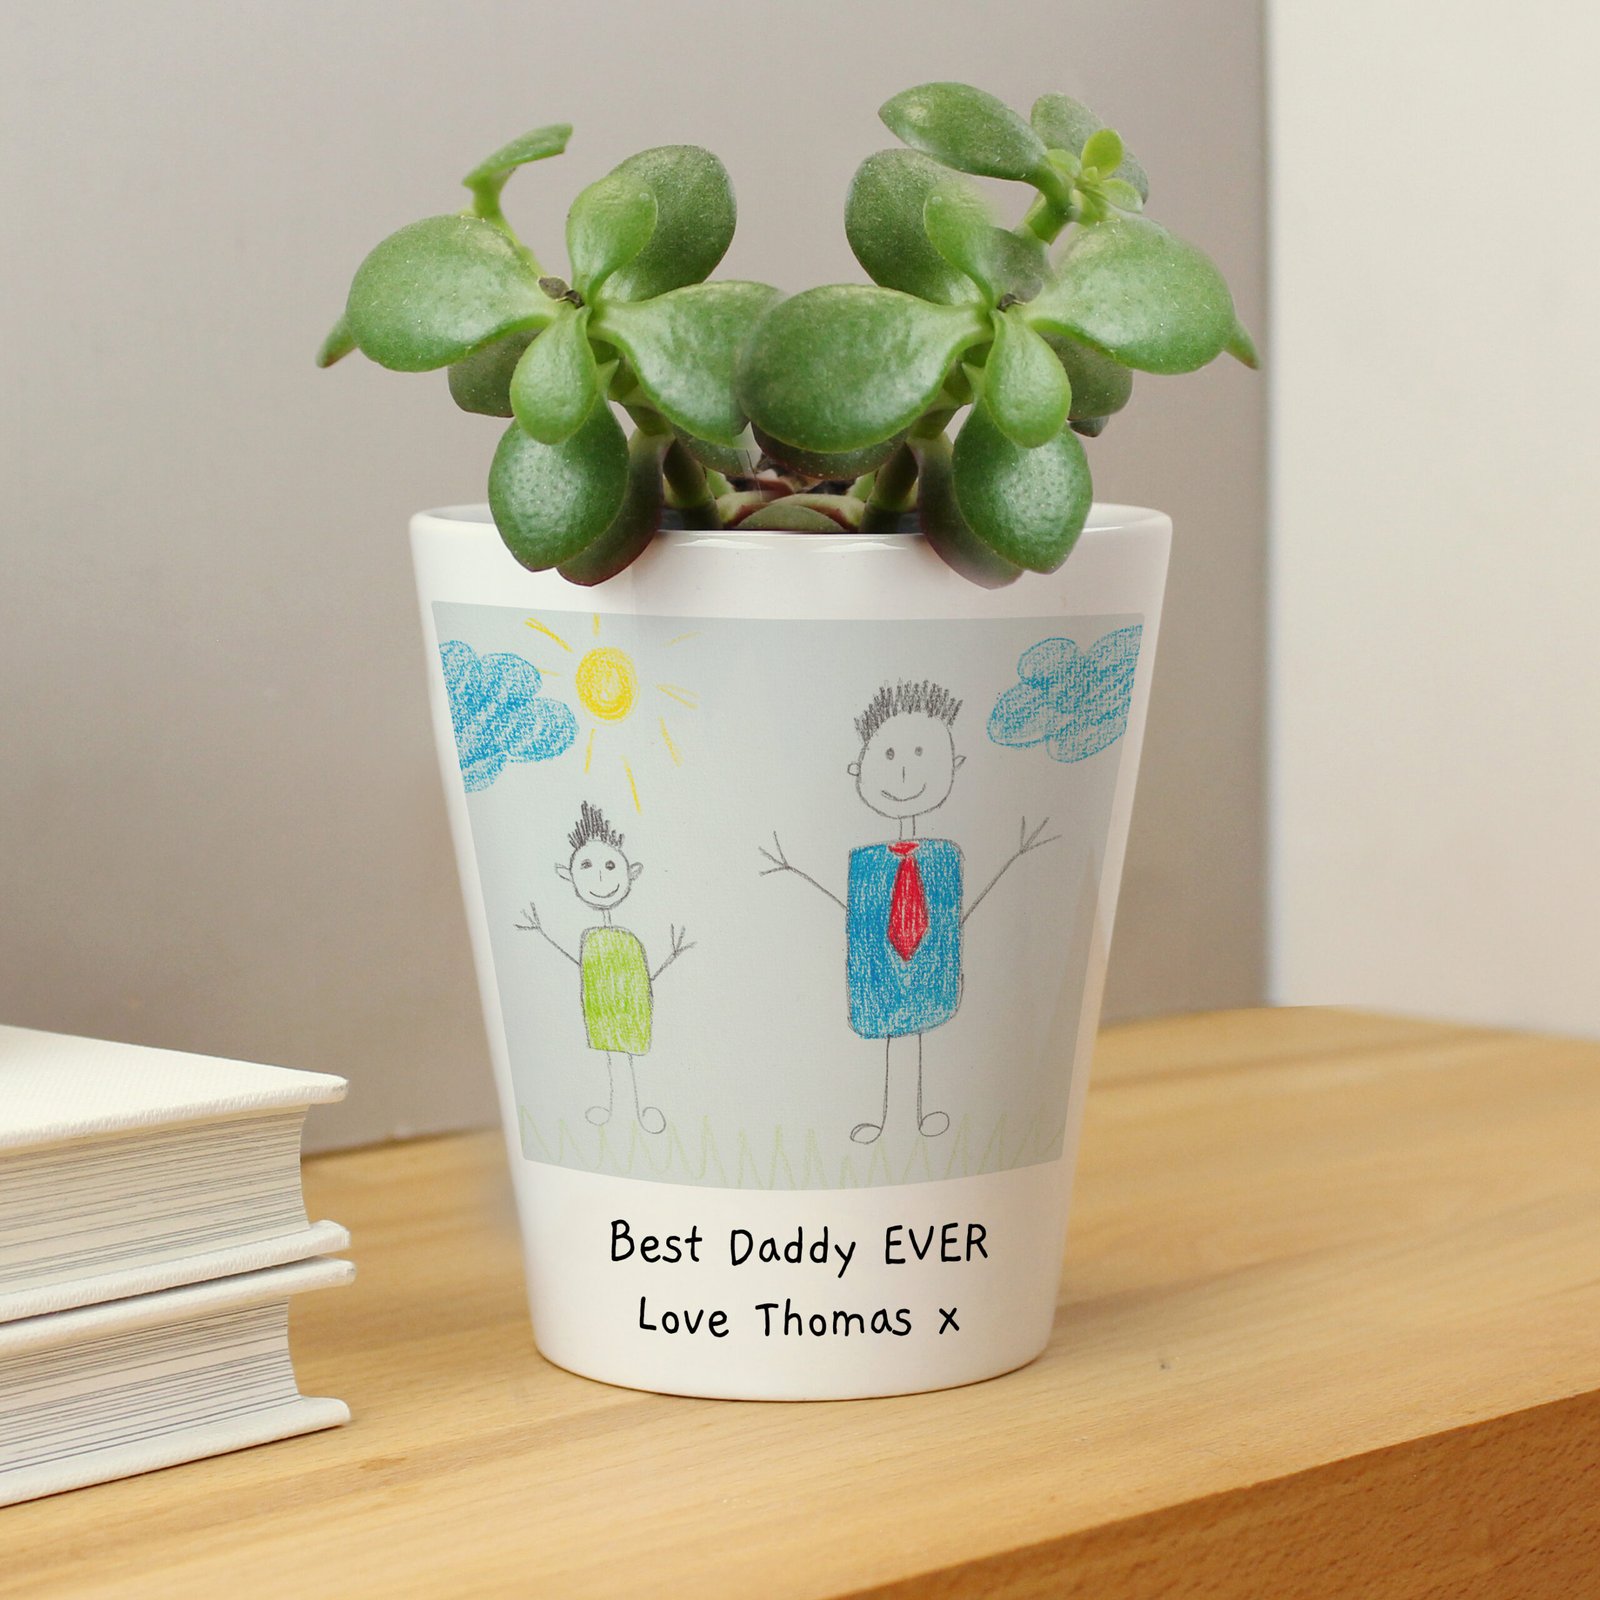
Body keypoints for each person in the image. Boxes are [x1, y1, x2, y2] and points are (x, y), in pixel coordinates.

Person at [760, 681, 1054, 1144]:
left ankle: (917, 1117)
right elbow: (859, 917)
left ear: (955, 763)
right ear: (858, 769)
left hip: (926, 967)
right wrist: (797, 871)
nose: (903, 772)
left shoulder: (943, 858)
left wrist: (1013, 859)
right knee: (891, 1036)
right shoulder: (868, 863)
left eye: (920, 753)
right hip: (881, 971)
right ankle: (884, 1119)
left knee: (916, 1036)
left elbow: (951, 915)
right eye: (890, 755)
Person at [517, 802, 691, 1133]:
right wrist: (542, 933)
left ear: (631, 872)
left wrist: (671, 956)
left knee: (629, 1055)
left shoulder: (627, 940)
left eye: (611, 865)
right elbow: (583, 969)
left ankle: (639, 1111)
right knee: (611, 1055)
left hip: (632, 1010)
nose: (599, 877)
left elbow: (643, 980)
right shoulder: (591, 939)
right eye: (586, 865)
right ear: (568, 874)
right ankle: (613, 1109)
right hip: (602, 1010)